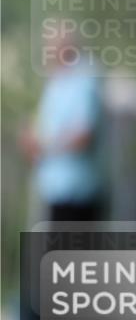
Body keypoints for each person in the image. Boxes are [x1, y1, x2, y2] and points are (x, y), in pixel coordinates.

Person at [21, 34, 106, 223]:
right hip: (56, 192)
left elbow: (83, 136)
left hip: (78, 195)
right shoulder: (56, 83)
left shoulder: (84, 79)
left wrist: (46, 148)